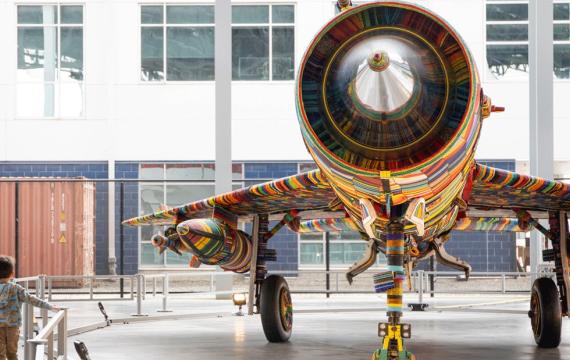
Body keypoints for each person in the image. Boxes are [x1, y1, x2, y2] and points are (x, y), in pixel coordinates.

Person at [0, 255, 59, 360]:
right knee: (12, 353)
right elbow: (32, 299)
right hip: (12, 327)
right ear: (12, 274)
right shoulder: (16, 288)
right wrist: (50, 307)